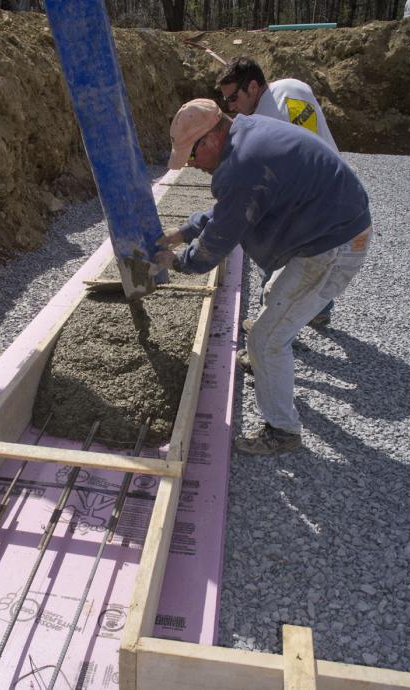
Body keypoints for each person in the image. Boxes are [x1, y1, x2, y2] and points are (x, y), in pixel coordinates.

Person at [155, 99, 372, 455]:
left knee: (266, 340)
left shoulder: (243, 164)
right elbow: (232, 208)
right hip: (329, 229)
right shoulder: (246, 137)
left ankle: (282, 431)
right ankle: (268, 365)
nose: (193, 166)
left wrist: (179, 262)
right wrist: (184, 230)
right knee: (275, 296)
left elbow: (220, 239)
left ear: (209, 140)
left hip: (334, 245)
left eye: (192, 157)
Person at [217, 57, 338, 327]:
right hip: (333, 188)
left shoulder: (265, 123)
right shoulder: (293, 86)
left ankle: (267, 328)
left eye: (234, 98)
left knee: (271, 252)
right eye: (227, 102)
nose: (232, 107)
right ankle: (319, 310)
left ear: (252, 87)